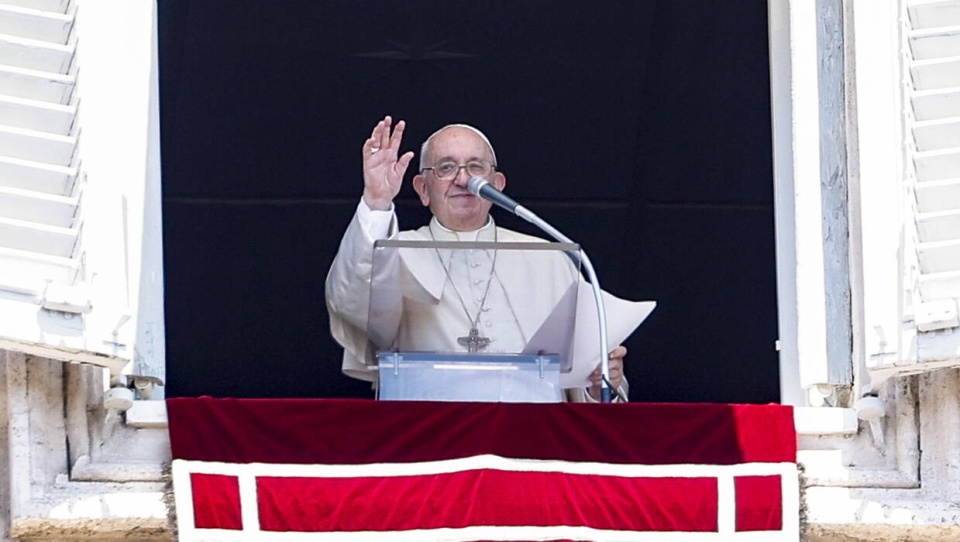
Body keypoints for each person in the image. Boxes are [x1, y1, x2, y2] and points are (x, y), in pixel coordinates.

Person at [325, 115, 627, 402]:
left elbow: (588, 379)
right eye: (445, 167)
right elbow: (352, 301)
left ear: (497, 183)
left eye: (475, 166)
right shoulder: (393, 253)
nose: (463, 179)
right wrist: (377, 201)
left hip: (531, 441)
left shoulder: (550, 257)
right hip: (430, 439)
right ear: (422, 189)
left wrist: (602, 381)